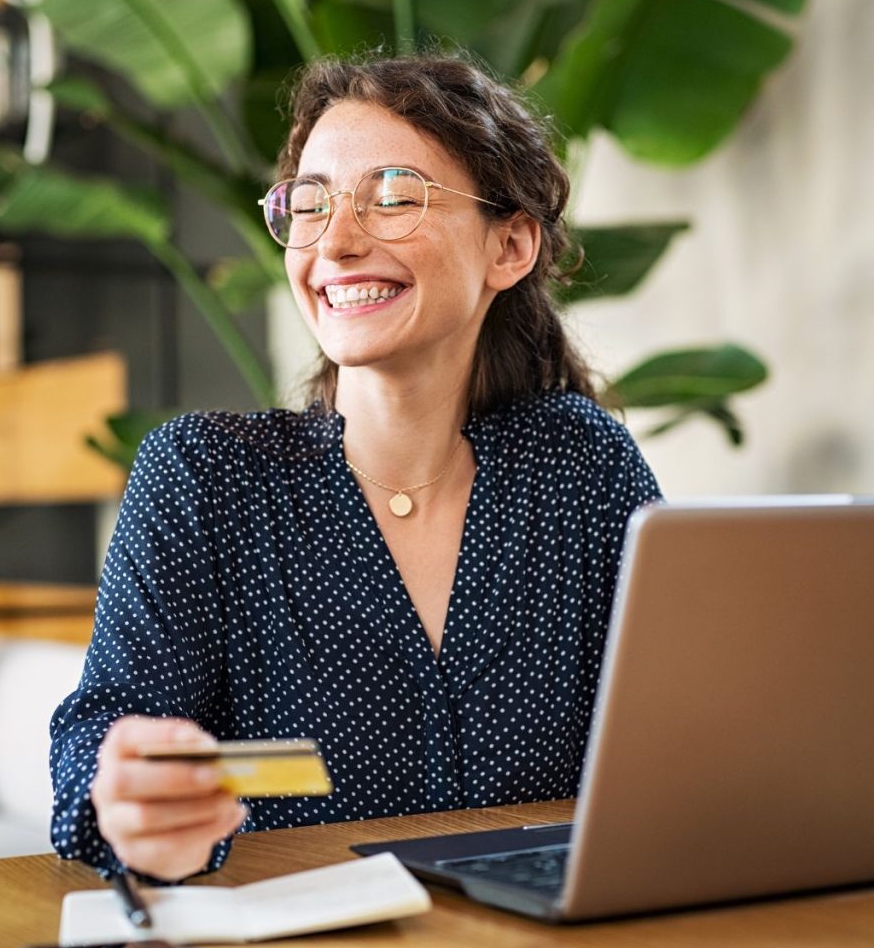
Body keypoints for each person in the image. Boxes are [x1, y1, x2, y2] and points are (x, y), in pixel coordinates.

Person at [49, 54, 661, 883]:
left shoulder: (580, 468)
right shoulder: (204, 477)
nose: (336, 241)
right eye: (310, 203)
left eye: (396, 197)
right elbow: (101, 736)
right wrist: (123, 797)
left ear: (509, 245)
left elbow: (681, 745)